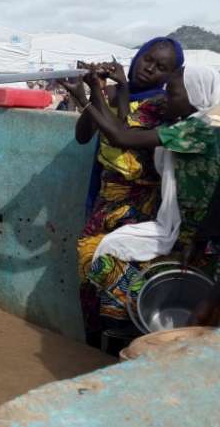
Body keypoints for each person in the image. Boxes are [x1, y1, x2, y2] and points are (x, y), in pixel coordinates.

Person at [72, 65, 220, 342]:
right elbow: (125, 128)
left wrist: (85, 100)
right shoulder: (187, 124)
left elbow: (121, 137)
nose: (167, 96)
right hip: (189, 230)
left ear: (196, 95)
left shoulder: (198, 130)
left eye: (174, 91)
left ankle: (134, 334)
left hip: (198, 236)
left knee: (109, 260)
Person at [59, 38, 184, 346]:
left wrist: (97, 98)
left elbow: (121, 134)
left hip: (141, 203)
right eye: (148, 60)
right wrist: (98, 92)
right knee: (89, 265)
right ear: (139, 56)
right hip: (106, 196)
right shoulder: (113, 94)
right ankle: (95, 342)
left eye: (161, 67)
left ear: (172, 75)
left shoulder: (164, 106)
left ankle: (119, 344)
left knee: (115, 267)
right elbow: (83, 136)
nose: (150, 69)